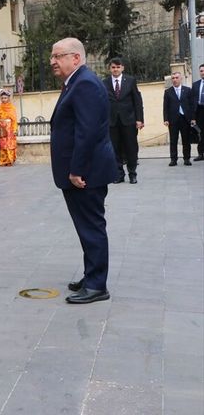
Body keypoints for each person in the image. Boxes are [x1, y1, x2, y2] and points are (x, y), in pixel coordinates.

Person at [49, 38, 117, 304]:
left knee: (91, 226)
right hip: (81, 171)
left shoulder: (85, 83)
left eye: (58, 56)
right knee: (85, 226)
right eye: (52, 56)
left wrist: (76, 170)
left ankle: (97, 285)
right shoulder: (76, 82)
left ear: (75, 58)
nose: (52, 61)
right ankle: (92, 276)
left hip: (85, 173)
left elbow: (87, 132)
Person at [102, 57, 144, 183]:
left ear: (122, 68)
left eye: (118, 67)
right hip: (112, 121)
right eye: (113, 67)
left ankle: (132, 173)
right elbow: (102, 103)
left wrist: (139, 119)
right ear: (110, 69)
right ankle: (119, 174)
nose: (116, 69)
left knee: (131, 147)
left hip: (129, 121)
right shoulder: (105, 83)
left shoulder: (130, 81)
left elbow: (137, 100)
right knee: (114, 149)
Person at [162, 71, 197, 166]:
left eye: (177, 78)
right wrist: (165, 119)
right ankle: (173, 159)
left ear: (181, 79)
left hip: (185, 119)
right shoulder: (168, 92)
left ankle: (186, 158)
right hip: (173, 120)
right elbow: (165, 107)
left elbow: (191, 105)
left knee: (186, 140)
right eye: (173, 78)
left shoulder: (188, 90)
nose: (175, 80)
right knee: (173, 140)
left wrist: (193, 118)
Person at [0, 89, 18, 167]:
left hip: (9, 129)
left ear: (8, 98)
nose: (4, 99)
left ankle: (10, 160)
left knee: (9, 145)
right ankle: (3, 161)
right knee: (2, 145)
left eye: (5, 98)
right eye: (2, 98)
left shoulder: (12, 108)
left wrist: (15, 129)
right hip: (2, 129)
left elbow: (14, 120)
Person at [192, 64, 204, 161]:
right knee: (200, 133)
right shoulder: (195, 85)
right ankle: (201, 154)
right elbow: (192, 101)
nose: (202, 72)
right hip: (199, 111)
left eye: (203, 70)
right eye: (201, 71)